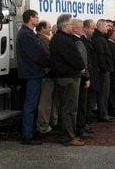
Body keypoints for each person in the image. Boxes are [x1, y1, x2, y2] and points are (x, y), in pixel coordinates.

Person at [50, 14, 86, 146]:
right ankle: (69, 136)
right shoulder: (63, 40)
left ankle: (63, 133)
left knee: (64, 107)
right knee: (70, 108)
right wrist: (81, 66)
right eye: (71, 24)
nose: (73, 26)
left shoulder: (59, 38)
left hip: (64, 77)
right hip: (68, 77)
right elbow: (74, 59)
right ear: (65, 26)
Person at [16, 10, 50, 145]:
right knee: (30, 104)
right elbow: (37, 54)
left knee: (31, 104)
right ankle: (27, 135)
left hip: (32, 73)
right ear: (31, 18)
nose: (38, 19)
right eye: (36, 17)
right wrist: (48, 63)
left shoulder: (27, 34)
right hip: (32, 73)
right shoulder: (26, 34)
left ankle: (30, 132)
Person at [36, 20, 58, 134]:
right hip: (47, 74)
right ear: (42, 28)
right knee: (46, 102)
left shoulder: (43, 39)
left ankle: (48, 123)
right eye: (49, 27)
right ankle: (43, 126)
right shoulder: (43, 40)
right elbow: (49, 56)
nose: (50, 29)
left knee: (49, 101)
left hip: (47, 74)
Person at [71, 19, 91, 138]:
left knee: (82, 103)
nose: (83, 28)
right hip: (81, 76)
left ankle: (82, 126)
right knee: (81, 103)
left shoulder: (78, 40)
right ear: (74, 28)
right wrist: (87, 76)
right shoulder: (77, 41)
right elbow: (83, 61)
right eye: (81, 27)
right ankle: (80, 128)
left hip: (81, 75)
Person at [92, 19, 114, 122]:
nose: (108, 28)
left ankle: (104, 113)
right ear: (100, 26)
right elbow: (101, 56)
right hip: (103, 71)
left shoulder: (101, 38)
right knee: (103, 93)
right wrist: (106, 68)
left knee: (105, 93)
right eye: (106, 26)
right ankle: (103, 114)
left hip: (104, 70)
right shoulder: (99, 39)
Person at [82, 19, 98, 124]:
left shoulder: (89, 40)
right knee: (86, 100)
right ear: (85, 28)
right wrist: (87, 76)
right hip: (87, 75)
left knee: (90, 99)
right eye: (92, 28)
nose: (93, 30)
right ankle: (85, 122)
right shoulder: (83, 41)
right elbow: (85, 60)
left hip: (92, 73)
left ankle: (87, 120)